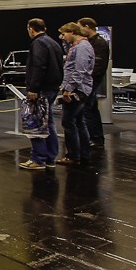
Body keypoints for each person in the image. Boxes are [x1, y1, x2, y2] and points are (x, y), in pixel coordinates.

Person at [19, 19, 64, 170]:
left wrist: (33, 88)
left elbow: (39, 66)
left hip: (41, 89)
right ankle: (50, 158)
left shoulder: (38, 43)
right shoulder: (53, 43)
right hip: (52, 88)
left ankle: (38, 159)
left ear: (31, 29)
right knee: (48, 123)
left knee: (36, 124)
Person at [56, 22, 94, 165]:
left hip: (77, 89)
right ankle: (83, 154)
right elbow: (70, 57)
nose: (63, 37)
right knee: (79, 122)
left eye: (64, 34)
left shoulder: (82, 47)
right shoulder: (77, 46)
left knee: (68, 122)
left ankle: (72, 155)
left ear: (72, 32)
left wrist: (69, 89)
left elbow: (79, 70)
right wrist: (64, 42)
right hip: (78, 88)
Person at [78, 18, 110, 148]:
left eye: (80, 27)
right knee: (89, 109)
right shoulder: (89, 42)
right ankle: (94, 137)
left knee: (89, 109)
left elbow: (97, 65)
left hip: (91, 81)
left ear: (87, 27)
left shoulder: (99, 43)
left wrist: (87, 79)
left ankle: (96, 138)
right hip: (89, 80)